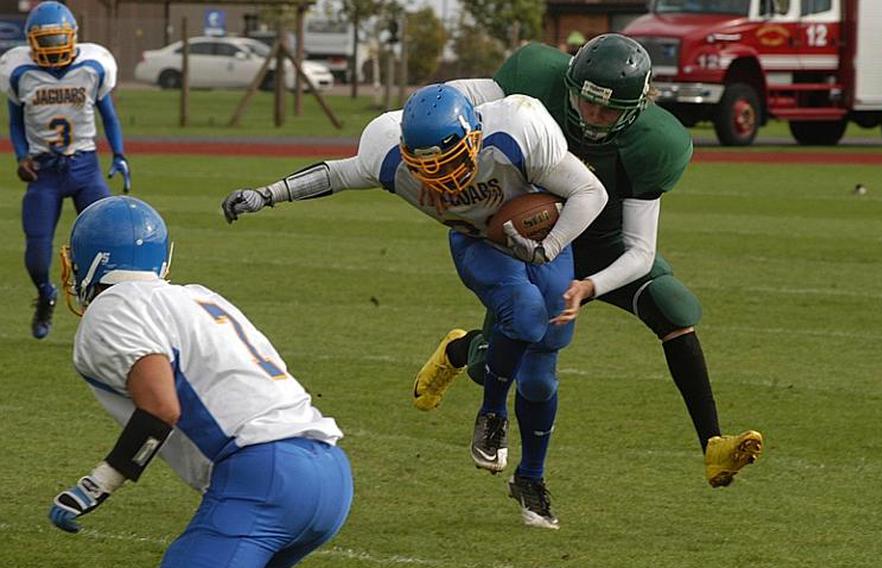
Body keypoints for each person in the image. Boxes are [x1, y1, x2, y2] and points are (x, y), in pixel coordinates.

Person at [221, 84, 608, 529]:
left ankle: (530, 477)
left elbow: (590, 192)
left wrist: (549, 246)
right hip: (477, 241)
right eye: (422, 165)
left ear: (475, 137)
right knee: (524, 314)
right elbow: (338, 174)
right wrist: (268, 193)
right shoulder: (387, 153)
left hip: (542, 238)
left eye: (446, 161)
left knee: (542, 368)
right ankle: (492, 413)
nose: (436, 176)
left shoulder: (519, 130)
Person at [416, 34, 764, 489]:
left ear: (638, 106)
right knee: (497, 366)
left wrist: (591, 285)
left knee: (675, 309)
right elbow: (461, 101)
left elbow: (640, 250)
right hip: (534, 244)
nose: (594, 117)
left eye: (609, 110)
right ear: (570, 84)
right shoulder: (536, 76)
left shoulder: (656, 142)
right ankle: (459, 351)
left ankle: (713, 445)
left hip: (603, 245)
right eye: (585, 102)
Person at [48, 196, 352, 567]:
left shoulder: (114, 306)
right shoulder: (199, 297)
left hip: (264, 475)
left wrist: (97, 484)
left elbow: (161, 408)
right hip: (329, 472)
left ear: (91, 262)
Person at [0, 1, 130, 340]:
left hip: (85, 165)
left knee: (108, 238)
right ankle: (45, 294)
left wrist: (119, 155)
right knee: (37, 251)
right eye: (45, 41)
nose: (53, 49)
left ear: (72, 37)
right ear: (31, 42)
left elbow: (109, 116)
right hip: (44, 170)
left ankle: (107, 313)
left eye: (58, 40)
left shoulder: (92, 66)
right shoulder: (19, 72)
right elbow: (14, 123)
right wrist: (21, 157)